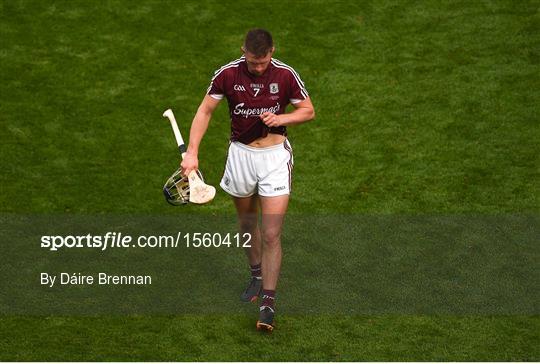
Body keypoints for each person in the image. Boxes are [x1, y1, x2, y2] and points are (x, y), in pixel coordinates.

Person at [181, 28, 315, 331]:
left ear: (272, 52)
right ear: (243, 50)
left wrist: (282, 119)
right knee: (246, 224)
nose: (258, 68)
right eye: (253, 62)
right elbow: (205, 111)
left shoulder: (285, 75)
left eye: (263, 61)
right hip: (241, 156)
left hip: (274, 159)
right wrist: (192, 152)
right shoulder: (227, 75)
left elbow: (308, 111)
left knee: (270, 233)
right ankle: (255, 274)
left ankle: (268, 301)